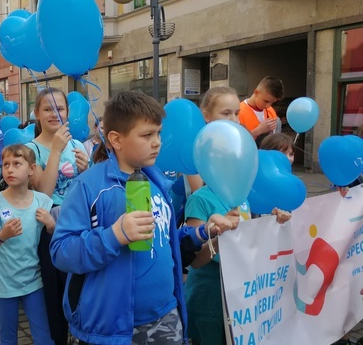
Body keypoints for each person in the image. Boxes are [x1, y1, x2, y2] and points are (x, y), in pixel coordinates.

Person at [51, 90, 219, 345]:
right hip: (108, 329)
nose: (157, 142)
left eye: (159, 133)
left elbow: (165, 239)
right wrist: (115, 235)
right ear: (116, 139)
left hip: (165, 317)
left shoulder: (157, 181)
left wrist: (202, 232)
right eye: (147, 135)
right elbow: (62, 251)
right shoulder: (89, 186)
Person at [184, 86, 291, 345]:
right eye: (226, 113)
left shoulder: (243, 194)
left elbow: (249, 235)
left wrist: (272, 221)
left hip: (240, 289)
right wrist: (219, 234)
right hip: (209, 292)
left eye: (236, 113)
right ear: (206, 116)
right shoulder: (200, 198)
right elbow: (196, 261)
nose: (233, 120)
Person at [25, 87, 89, 344]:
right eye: (48, 109)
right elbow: (44, 192)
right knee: (54, 291)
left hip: (78, 222)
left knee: (80, 286)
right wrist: (54, 150)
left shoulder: (77, 145)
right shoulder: (30, 150)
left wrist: (85, 170)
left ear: (68, 112)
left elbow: (86, 190)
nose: (55, 114)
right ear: (37, 114)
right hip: (48, 226)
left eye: (59, 108)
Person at [0, 144, 55, 345]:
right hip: (2, 284)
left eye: (17, 163)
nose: (9, 169)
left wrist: (52, 226)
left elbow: (55, 240)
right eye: (5, 164)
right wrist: (2, 236)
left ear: (32, 170)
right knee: (8, 338)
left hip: (33, 282)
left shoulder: (43, 201)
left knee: (44, 337)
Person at [239, 76, 284, 145]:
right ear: (256, 92)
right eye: (266, 101)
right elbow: (235, 143)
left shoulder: (270, 111)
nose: (268, 106)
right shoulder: (238, 112)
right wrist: (258, 131)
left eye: (272, 102)